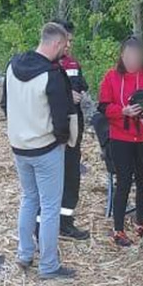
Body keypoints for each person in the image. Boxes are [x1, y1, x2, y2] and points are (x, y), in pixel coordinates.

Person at [0, 22, 76, 279]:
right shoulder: (52, 75)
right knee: (50, 206)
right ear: (55, 44)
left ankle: (24, 254)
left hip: (19, 147)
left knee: (29, 199)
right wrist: (63, 140)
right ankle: (49, 265)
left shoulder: (12, 66)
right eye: (65, 45)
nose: (66, 50)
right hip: (45, 148)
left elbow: (5, 104)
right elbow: (61, 117)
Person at [97, 36, 143, 247]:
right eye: (128, 57)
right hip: (121, 139)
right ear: (122, 56)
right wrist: (123, 112)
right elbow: (103, 108)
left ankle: (141, 223)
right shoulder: (111, 77)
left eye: (136, 57)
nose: (132, 61)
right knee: (124, 182)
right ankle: (118, 230)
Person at [51, 19, 90, 241]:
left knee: (71, 177)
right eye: (67, 41)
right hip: (51, 134)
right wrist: (67, 97)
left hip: (74, 131)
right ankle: (43, 227)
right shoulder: (44, 66)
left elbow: (81, 88)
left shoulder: (73, 65)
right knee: (49, 181)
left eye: (71, 41)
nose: (69, 45)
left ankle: (66, 222)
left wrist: (80, 96)